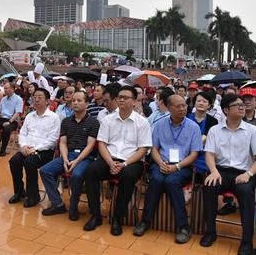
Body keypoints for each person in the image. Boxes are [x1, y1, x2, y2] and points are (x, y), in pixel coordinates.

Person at [200, 94, 256, 255]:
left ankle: (246, 241)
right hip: (221, 171)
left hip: (244, 173)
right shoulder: (215, 130)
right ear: (225, 110)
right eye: (237, 105)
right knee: (209, 186)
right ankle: (210, 232)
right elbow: (209, 154)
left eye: (242, 104)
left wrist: (249, 173)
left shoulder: (253, 130)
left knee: (245, 192)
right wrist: (214, 171)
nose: (242, 107)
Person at [133, 95, 202, 243]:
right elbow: (154, 148)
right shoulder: (159, 125)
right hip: (161, 163)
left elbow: (195, 154)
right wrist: (160, 163)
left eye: (184, 105)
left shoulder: (193, 127)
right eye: (178, 106)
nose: (183, 109)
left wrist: (176, 166)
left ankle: (183, 227)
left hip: (183, 166)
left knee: (171, 181)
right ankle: (145, 221)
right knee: (156, 180)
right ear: (169, 108)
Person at [83, 86, 152, 235]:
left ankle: (117, 218)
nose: (121, 99)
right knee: (90, 171)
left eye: (125, 97)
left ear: (134, 102)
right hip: (109, 158)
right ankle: (95, 215)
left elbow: (143, 149)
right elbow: (101, 143)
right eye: (120, 97)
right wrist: (110, 162)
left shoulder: (142, 122)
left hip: (131, 161)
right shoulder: (108, 119)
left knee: (127, 175)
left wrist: (124, 164)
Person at [40, 91, 99, 220]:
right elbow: (63, 142)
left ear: (87, 103)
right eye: (73, 101)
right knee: (45, 171)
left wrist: (76, 161)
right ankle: (58, 204)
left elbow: (90, 146)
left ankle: (73, 207)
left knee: (77, 175)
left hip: (85, 157)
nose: (75, 103)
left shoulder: (94, 122)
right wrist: (65, 159)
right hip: (67, 155)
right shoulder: (66, 121)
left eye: (79, 100)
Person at [8, 87, 60, 207]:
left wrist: (35, 149)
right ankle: (19, 192)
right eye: (34, 97)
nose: (36, 99)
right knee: (14, 161)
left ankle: (33, 195)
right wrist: (24, 146)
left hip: (44, 151)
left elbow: (52, 140)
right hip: (27, 148)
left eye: (39, 97)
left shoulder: (54, 117)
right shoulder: (30, 116)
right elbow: (23, 133)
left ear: (47, 101)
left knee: (29, 163)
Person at [186, 91, 218, 174]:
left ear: (209, 105)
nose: (201, 103)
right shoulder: (186, 117)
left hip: (204, 152)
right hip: (185, 149)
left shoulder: (213, 121)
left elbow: (207, 138)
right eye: (198, 101)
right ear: (194, 103)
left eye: (204, 101)